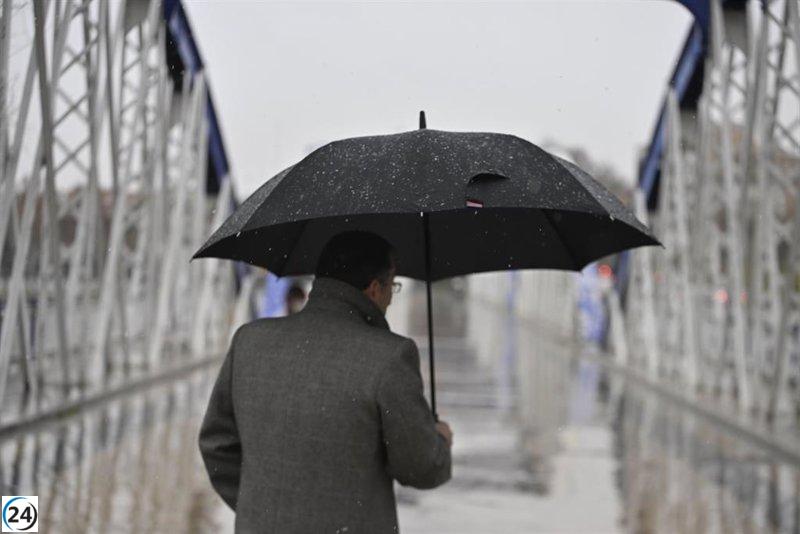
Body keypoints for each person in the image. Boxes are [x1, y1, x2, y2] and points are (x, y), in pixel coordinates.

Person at [198, 230, 453, 533]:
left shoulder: (250, 341)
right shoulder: (390, 357)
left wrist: (263, 509)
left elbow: (216, 445)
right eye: (392, 287)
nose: (389, 298)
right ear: (373, 289)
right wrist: (439, 440)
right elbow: (419, 467)